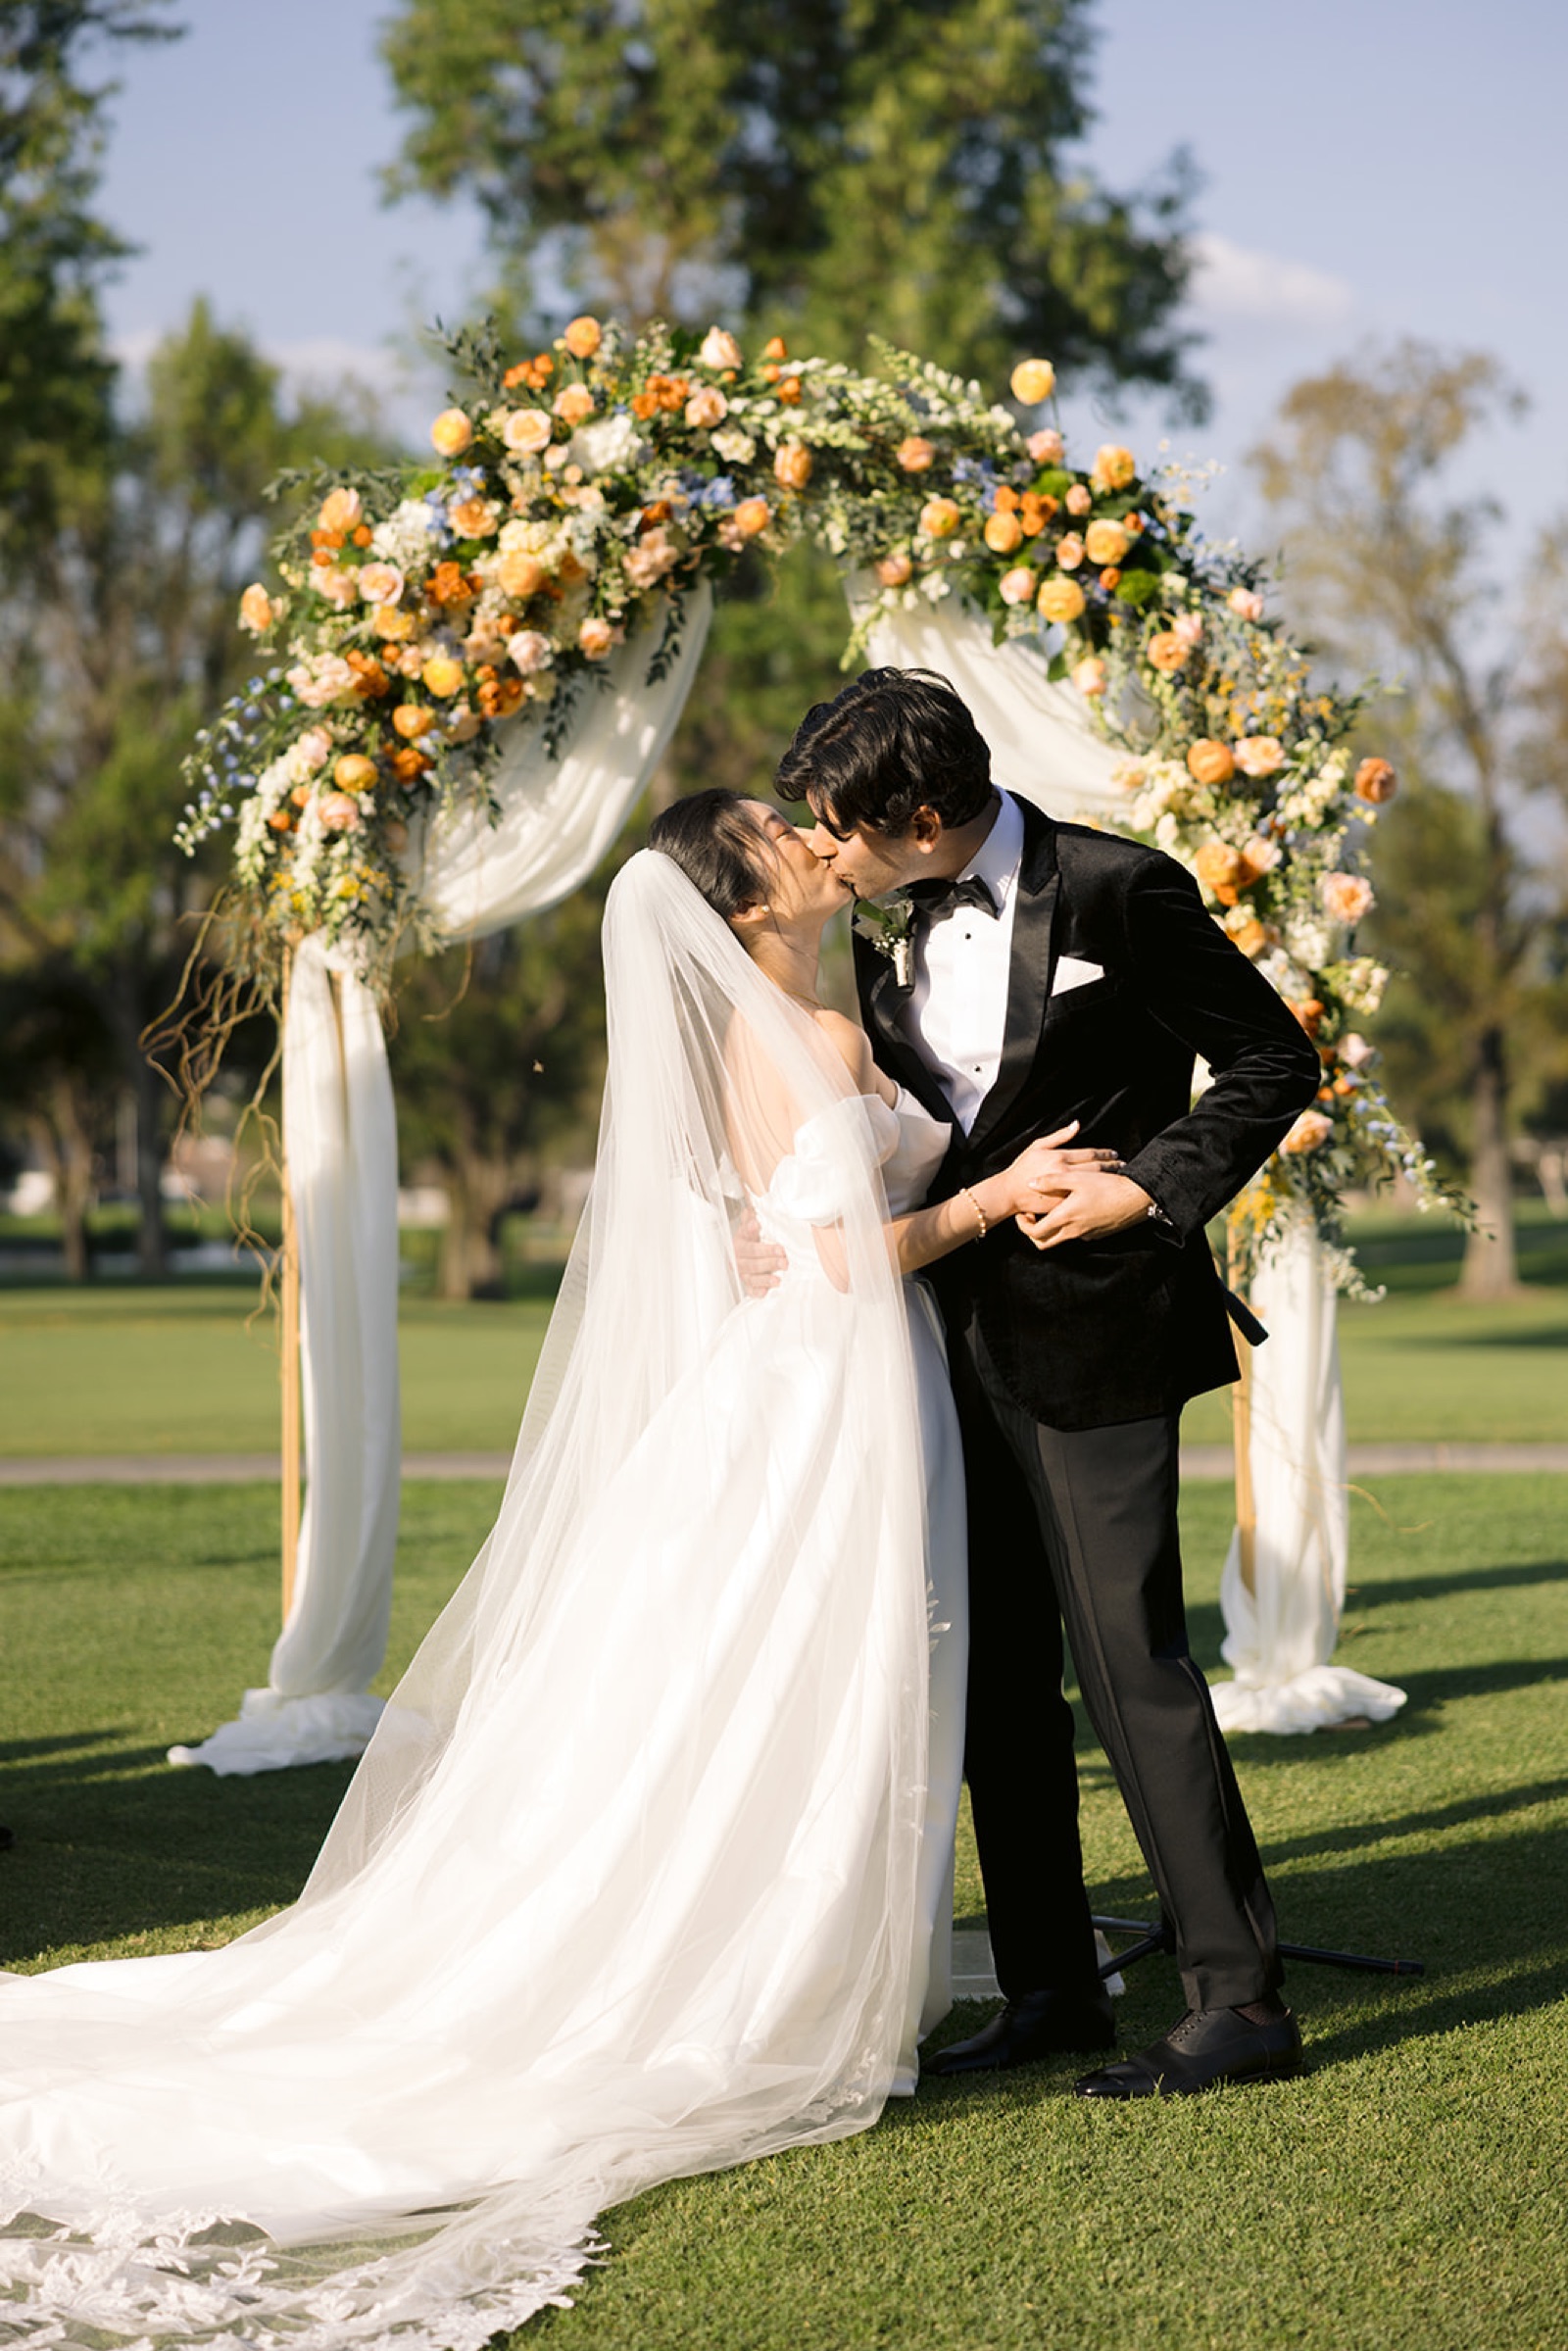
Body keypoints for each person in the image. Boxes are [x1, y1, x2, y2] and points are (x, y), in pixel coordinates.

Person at [0, 796, 1105, 2348]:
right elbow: (828, 1256)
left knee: (848, 1679)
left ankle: (832, 1952)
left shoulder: (828, 1003)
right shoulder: (760, 1043)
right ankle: (744, 1972)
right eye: (781, 832)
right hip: (810, 1405)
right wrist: (986, 1203)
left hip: (866, 1391)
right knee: (777, 1681)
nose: (810, 835)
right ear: (739, 899)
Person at [776, 665, 1323, 2100]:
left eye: (839, 828)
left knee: (1129, 1663)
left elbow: (1274, 1055)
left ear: (925, 813)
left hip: (1097, 1335)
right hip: (942, 1341)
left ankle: (1239, 2002)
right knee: (1001, 1682)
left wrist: (1149, 1189)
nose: (821, 852)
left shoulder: (1119, 890)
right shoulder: (884, 923)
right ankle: (1049, 1989)